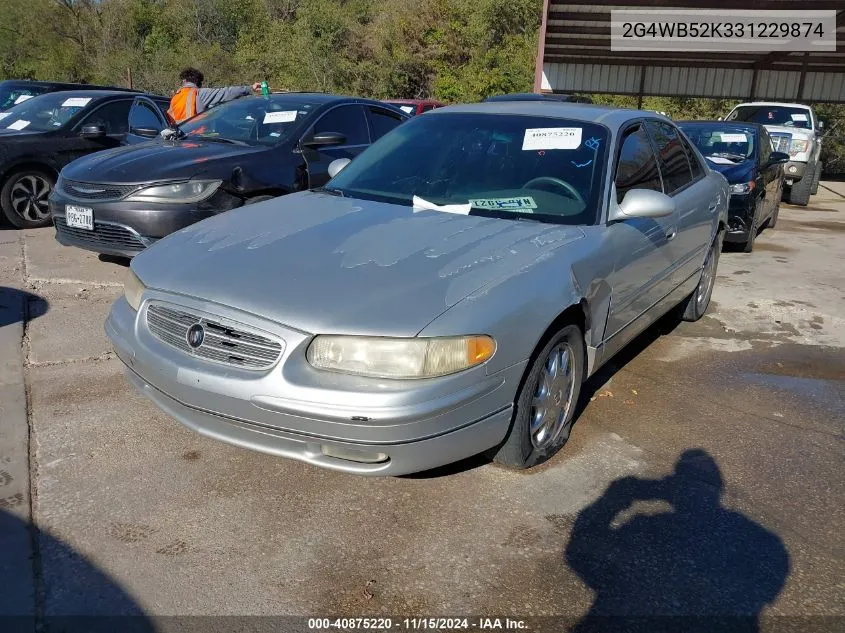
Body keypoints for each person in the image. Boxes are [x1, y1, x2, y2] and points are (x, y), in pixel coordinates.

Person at [167, 67, 262, 124]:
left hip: (178, 138)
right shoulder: (198, 93)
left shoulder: (175, 97)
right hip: (196, 138)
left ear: (184, 81)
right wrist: (250, 88)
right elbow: (226, 92)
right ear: (197, 81)